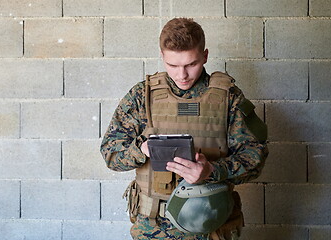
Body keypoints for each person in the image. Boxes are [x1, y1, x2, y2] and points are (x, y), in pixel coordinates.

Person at [100, 18, 268, 240]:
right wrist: (141, 150)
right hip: (153, 228)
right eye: (173, 65)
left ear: (205, 56)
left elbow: (255, 158)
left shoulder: (229, 98)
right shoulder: (142, 97)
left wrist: (212, 171)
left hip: (212, 226)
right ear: (162, 56)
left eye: (191, 64)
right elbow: (111, 154)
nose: (182, 75)